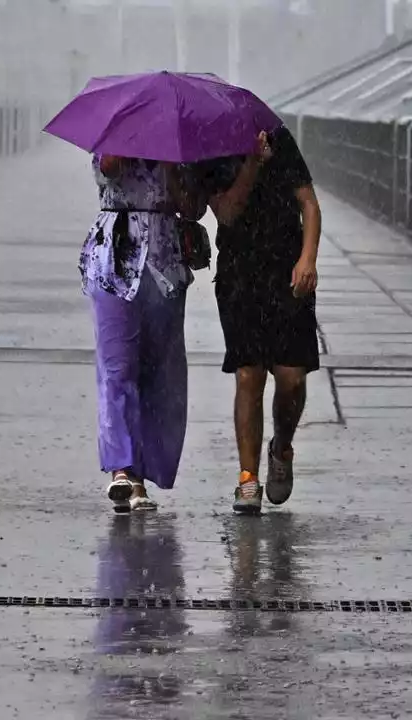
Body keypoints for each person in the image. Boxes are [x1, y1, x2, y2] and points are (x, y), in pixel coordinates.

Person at [81, 139, 267, 514]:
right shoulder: (113, 137)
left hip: (165, 265)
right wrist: (132, 141)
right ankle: (121, 469)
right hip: (116, 259)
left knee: (158, 373)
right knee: (118, 368)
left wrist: (172, 166)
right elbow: (110, 168)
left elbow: (193, 208)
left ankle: (140, 480)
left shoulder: (177, 150)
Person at [195, 126, 322, 515]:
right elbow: (228, 212)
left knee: (291, 378)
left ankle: (282, 446)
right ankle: (248, 479)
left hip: (286, 273)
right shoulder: (212, 151)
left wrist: (308, 259)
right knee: (249, 375)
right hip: (240, 276)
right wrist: (251, 162)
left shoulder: (279, 140)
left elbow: (310, 204)